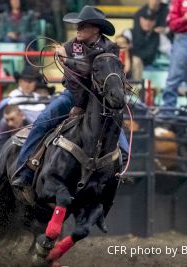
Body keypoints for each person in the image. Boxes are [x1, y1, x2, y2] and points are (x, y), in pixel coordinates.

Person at [11, 6, 129, 189]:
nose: (78, 29)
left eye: (83, 25)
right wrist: (80, 103)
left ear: (96, 29)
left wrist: (68, 61)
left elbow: (97, 72)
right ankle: (24, 170)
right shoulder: (70, 47)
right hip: (73, 96)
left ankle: (120, 168)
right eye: (78, 25)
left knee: (117, 132)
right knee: (42, 121)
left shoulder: (110, 50)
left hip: (99, 101)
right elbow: (72, 82)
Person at [131, 10, 160, 80]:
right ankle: (136, 89)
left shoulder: (158, 36)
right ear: (140, 19)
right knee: (136, 60)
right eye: (145, 19)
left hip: (149, 65)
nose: (147, 22)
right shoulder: (129, 32)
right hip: (128, 65)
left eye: (150, 20)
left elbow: (170, 50)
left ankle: (137, 88)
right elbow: (120, 44)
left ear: (154, 22)